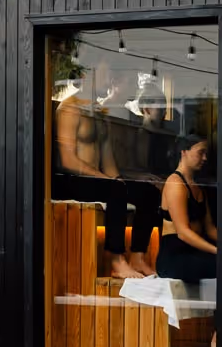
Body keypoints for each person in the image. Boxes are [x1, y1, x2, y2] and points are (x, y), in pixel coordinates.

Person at [52, 66, 159, 279]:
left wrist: (118, 180)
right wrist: (109, 182)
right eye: (105, 75)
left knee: (149, 193)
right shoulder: (69, 109)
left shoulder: (100, 114)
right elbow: (67, 160)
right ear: (86, 76)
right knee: (115, 190)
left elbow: (108, 162)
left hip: (95, 181)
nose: (109, 80)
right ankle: (116, 261)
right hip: (70, 180)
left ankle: (137, 258)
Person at [156, 134, 218, 283]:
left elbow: (210, 229)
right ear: (184, 152)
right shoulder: (175, 183)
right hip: (174, 259)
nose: (205, 158)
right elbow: (183, 232)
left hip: (193, 254)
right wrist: (217, 251)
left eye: (206, 154)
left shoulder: (198, 188)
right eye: (200, 152)